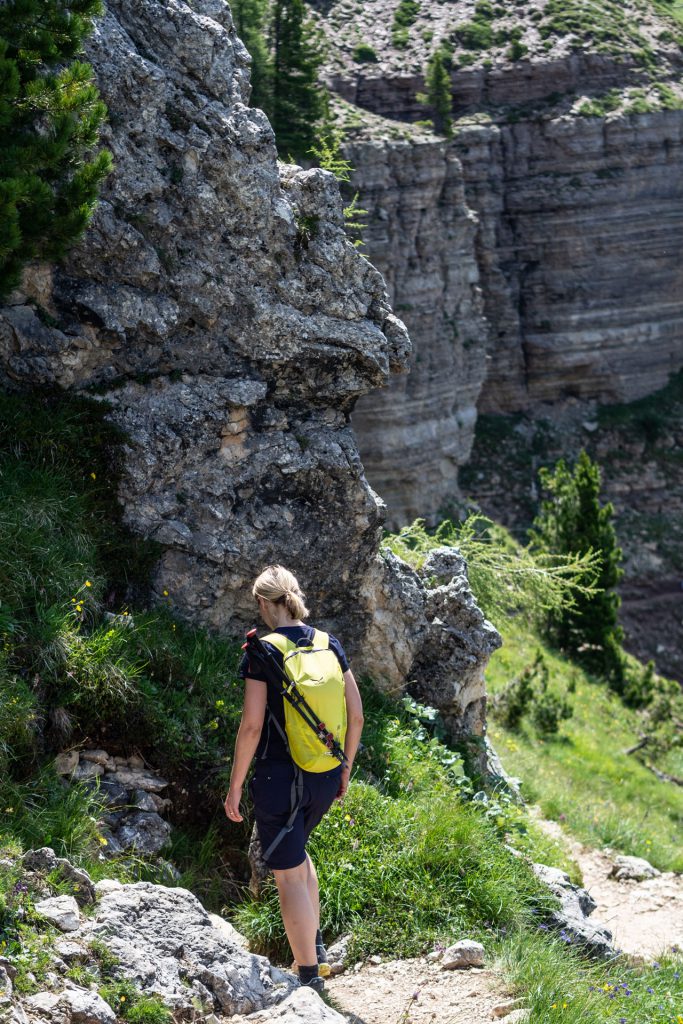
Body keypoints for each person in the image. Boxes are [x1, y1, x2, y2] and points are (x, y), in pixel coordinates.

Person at [224, 565, 364, 991]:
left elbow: (251, 727)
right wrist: (345, 768)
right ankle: (315, 950)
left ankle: (309, 980)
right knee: (298, 854)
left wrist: (233, 786)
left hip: (278, 779)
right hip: (324, 773)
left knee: (285, 873)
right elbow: (356, 715)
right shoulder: (328, 643)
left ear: (266, 603)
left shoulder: (261, 651)